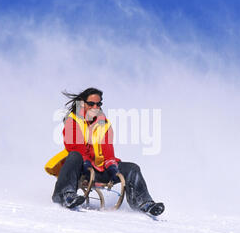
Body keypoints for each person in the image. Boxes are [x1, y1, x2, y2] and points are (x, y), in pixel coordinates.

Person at [44, 87, 165, 216]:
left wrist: (111, 164)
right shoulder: (73, 120)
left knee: (132, 168)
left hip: (98, 169)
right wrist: (85, 162)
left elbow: (107, 149)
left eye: (98, 104)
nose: (95, 107)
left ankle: (143, 202)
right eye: (91, 104)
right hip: (79, 168)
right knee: (75, 156)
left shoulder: (104, 124)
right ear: (82, 103)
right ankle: (65, 194)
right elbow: (74, 145)